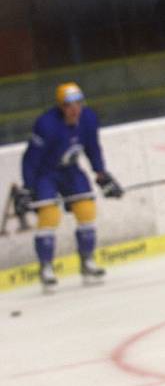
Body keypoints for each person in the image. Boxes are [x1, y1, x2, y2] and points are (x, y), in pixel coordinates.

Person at [16, 82, 123, 291]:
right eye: (68, 105)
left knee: (86, 209)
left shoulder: (89, 118)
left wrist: (101, 174)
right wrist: (28, 187)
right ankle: (46, 268)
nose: (75, 109)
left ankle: (87, 262)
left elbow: (92, 147)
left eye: (78, 103)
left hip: (70, 170)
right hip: (45, 173)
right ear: (60, 106)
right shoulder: (46, 125)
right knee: (49, 215)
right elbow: (30, 159)